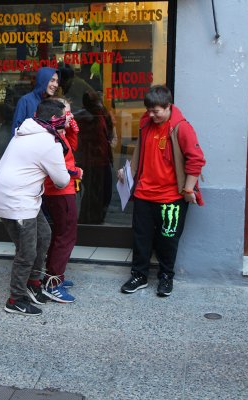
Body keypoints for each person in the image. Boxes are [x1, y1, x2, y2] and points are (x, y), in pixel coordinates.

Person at [119, 85, 206, 297]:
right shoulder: (145, 124)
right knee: (141, 238)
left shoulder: (182, 128)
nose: (151, 115)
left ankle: (166, 277)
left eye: (156, 111)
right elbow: (140, 152)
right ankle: (139, 275)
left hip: (171, 198)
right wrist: (127, 172)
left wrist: (188, 188)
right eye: (148, 110)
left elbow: (196, 160)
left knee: (168, 240)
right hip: (144, 194)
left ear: (168, 107)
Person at [0, 98, 70, 316]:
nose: (68, 121)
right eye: (65, 117)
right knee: (27, 251)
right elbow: (62, 181)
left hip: (16, 194)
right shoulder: (48, 142)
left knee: (44, 235)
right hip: (15, 199)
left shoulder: (27, 130)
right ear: (55, 119)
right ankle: (15, 299)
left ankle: (33, 284)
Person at [42, 98, 82, 303]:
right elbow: (59, 167)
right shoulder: (52, 138)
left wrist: (71, 129)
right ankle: (53, 283)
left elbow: (71, 148)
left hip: (61, 190)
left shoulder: (58, 134)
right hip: (60, 191)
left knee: (60, 234)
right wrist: (77, 172)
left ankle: (53, 276)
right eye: (67, 113)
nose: (70, 116)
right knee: (66, 236)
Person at [75, 90, 115, 224]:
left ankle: (92, 219)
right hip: (92, 160)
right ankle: (90, 221)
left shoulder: (100, 114)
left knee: (99, 192)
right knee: (94, 192)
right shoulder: (90, 116)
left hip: (99, 159)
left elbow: (107, 135)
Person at [11, 67, 59, 136]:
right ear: (43, 80)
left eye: (57, 81)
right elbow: (16, 130)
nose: (56, 85)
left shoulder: (53, 102)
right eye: (52, 80)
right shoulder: (25, 101)